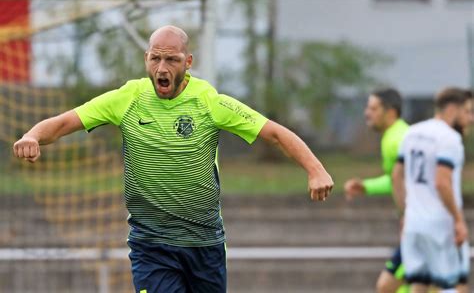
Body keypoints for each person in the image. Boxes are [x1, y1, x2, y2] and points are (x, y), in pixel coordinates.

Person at [12, 25, 334, 293]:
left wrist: (315, 169)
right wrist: (33, 136)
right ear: (146, 59)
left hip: (204, 243)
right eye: (155, 59)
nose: (162, 69)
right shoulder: (128, 98)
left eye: (172, 60)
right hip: (151, 244)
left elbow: (274, 133)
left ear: (188, 61)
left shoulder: (209, 101)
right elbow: (66, 122)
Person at [392, 87, 473, 293]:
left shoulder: (412, 132)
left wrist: (405, 213)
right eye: (468, 111)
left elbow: (397, 176)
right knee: (455, 284)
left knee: (419, 284)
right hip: (440, 225)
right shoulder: (450, 138)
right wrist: (458, 220)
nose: (470, 119)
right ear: (453, 109)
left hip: (414, 224)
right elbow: (442, 183)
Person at [344, 88, 409, 293]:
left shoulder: (398, 140)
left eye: (373, 108)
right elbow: (396, 179)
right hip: (419, 225)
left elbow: (416, 180)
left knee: (387, 287)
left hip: (420, 226)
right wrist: (367, 187)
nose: (367, 113)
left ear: (390, 112)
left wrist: (411, 215)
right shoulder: (396, 135)